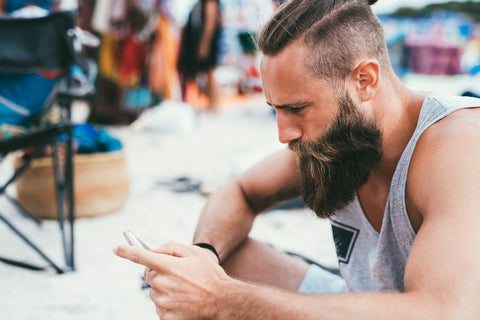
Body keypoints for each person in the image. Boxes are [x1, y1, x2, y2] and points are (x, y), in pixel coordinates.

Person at [114, 0, 480, 318]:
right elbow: (241, 191)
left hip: (428, 310)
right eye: (275, 109)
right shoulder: (343, 137)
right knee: (222, 259)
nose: (283, 133)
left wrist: (222, 300)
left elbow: (443, 312)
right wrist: (205, 257)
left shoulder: (458, 145)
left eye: (296, 108)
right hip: (364, 302)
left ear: (365, 81)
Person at [177, 0, 222, 112]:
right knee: (208, 73)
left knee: (210, 72)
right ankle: (211, 104)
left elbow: (210, 21)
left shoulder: (210, 2)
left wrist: (204, 43)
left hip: (207, 42)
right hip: (203, 41)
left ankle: (214, 105)